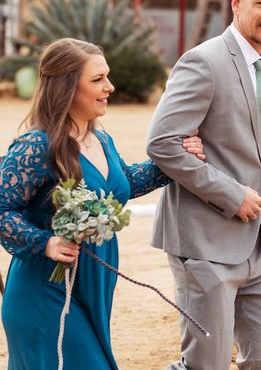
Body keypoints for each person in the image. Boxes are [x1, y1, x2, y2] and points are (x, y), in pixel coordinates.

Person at [0, 37, 205, 370]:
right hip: (46, 290)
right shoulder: (36, 146)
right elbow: (1, 210)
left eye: (107, 76)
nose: (110, 86)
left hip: (92, 285)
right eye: (97, 79)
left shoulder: (101, 138)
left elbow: (127, 182)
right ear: (66, 86)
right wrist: (45, 242)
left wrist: (178, 157)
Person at [147, 0, 261, 370]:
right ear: (236, 2)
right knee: (205, 365)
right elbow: (163, 143)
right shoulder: (203, 61)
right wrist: (231, 194)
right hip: (205, 244)